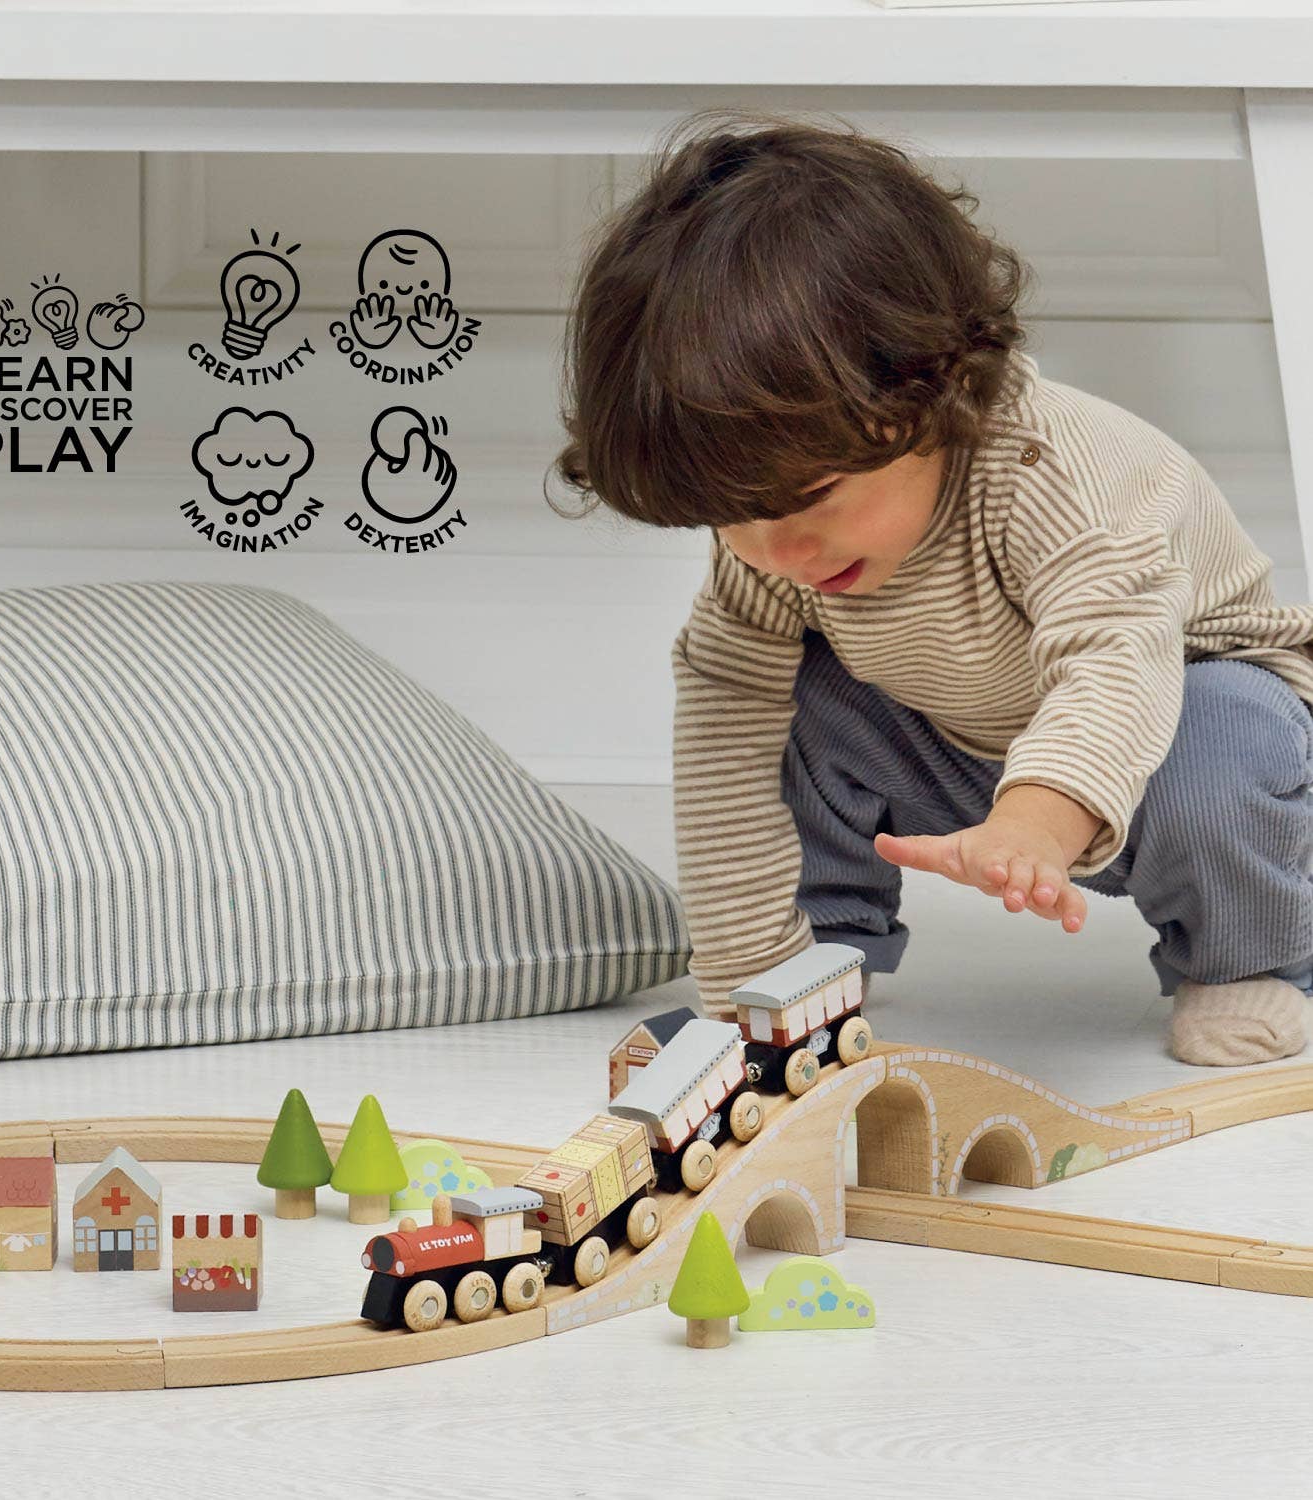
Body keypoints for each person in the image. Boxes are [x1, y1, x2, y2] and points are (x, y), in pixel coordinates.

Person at [548, 109, 1313, 1067]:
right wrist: (739, 981)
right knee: (785, 697)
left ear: (931, 393)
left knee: (1224, 737)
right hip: (970, 743)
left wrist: (1034, 817)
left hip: (1176, 733)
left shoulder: (1052, 474)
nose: (769, 549)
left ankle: (1252, 962)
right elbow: (726, 730)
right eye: (727, 519)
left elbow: (1115, 665)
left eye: (811, 498)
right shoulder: (776, 541)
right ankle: (802, 976)